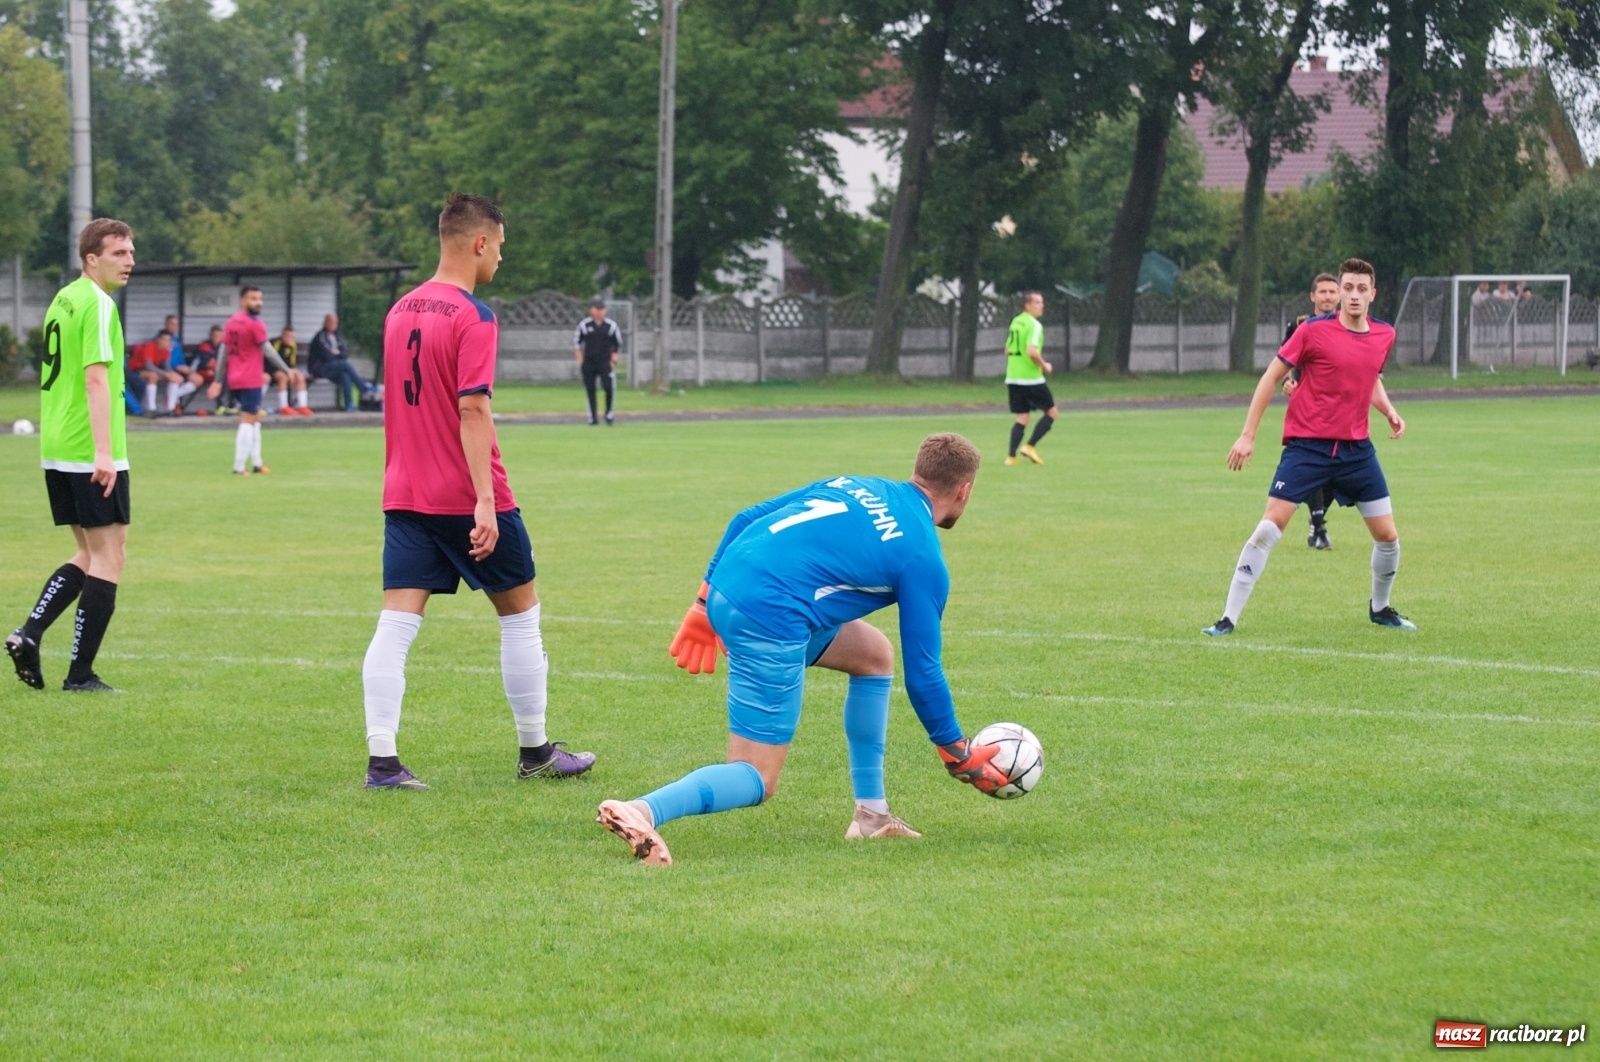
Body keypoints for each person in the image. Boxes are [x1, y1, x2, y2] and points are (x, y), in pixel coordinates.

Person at [596, 433, 1010, 866]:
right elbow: (924, 671)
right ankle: (641, 810)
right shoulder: (923, 556)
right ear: (964, 490)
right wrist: (955, 749)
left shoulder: (855, 483)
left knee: (873, 655)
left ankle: (872, 816)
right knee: (757, 776)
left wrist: (702, 604)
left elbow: (746, 517)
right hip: (770, 614)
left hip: (729, 588)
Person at [360, 192, 595, 790]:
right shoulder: (474, 315)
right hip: (464, 495)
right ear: (480, 242)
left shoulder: (398, 310)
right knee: (520, 617)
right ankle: (535, 751)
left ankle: (382, 762)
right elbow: (471, 408)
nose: (500, 262)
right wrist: (484, 499)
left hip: (404, 493)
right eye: (501, 249)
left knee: (396, 624)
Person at [1203, 258, 1414, 638]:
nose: (1352, 295)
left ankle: (1380, 609)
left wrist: (1388, 410)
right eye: (1346, 287)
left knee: (1387, 537)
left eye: (1360, 289)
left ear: (1372, 294)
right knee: (1270, 527)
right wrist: (1248, 434)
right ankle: (1227, 618)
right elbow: (1271, 377)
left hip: (1357, 452)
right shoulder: (1312, 331)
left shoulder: (1384, 334)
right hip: (1308, 448)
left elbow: (1370, 378)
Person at [5, 218, 137, 693]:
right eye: (119, 253)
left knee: (88, 552)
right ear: (91, 259)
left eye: (130, 252)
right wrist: (103, 452)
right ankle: (80, 675)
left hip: (57, 446)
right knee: (110, 556)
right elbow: (95, 378)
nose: (129, 261)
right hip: (89, 449)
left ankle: (29, 634)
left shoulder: (64, 299)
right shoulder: (98, 305)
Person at [1281, 273, 1342, 550]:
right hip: (1307, 408)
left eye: (1333, 291)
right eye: (1323, 292)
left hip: (1340, 408)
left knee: (1338, 471)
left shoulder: (1348, 324)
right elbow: (1283, 358)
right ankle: (1318, 528)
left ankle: (1317, 522)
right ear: (1312, 296)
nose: (1328, 297)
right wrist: (1287, 381)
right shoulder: (1299, 324)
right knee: (1313, 464)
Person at [206, 287, 293, 474]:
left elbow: (224, 351)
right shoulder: (255, 324)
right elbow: (268, 350)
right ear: (243, 301)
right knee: (247, 419)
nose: (258, 302)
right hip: (251, 377)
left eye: (260, 298)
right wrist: (287, 370)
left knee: (254, 417)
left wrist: (218, 380)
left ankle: (257, 462)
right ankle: (238, 466)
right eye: (253, 299)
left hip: (235, 377)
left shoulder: (231, 322)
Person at [1003, 291, 1056, 465]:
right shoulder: (1034, 325)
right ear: (1027, 305)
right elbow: (1031, 351)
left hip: (1013, 377)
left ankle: (1011, 457)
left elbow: (1007, 350)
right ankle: (1030, 446)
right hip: (1031, 378)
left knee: (1022, 417)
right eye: (1037, 302)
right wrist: (1044, 365)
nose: (1042, 306)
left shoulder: (1016, 322)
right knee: (1052, 412)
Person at [308, 313, 379, 411]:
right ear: (325, 323)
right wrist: (337, 354)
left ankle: (349, 405)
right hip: (319, 368)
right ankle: (363, 387)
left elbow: (345, 353)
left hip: (334, 368)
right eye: (331, 322)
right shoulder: (320, 337)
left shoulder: (337, 336)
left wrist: (335, 353)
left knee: (345, 375)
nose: (334, 324)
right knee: (344, 365)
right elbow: (326, 356)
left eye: (335, 322)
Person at [573, 298, 620, 426]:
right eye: (597, 309)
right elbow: (577, 343)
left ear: (605, 310)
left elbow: (616, 345)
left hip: (605, 362)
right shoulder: (585, 325)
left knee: (608, 388)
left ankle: (609, 414)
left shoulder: (611, 326)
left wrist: (613, 360)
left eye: (601, 309)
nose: (599, 312)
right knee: (590, 389)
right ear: (592, 310)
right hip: (589, 362)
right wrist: (580, 360)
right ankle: (593, 417)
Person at [127, 331, 195, 416]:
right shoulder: (150, 346)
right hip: (135, 370)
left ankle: (170, 409)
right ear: (159, 340)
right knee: (153, 376)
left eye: (169, 340)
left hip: (151, 371)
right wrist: (165, 374)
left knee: (173, 378)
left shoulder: (166, 350)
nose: (167, 342)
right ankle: (151, 409)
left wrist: (172, 374)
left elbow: (167, 366)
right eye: (165, 340)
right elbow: (149, 366)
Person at [270, 325, 312, 416]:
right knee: (283, 377)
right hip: (272, 369)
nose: (289, 339)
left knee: (299, 375)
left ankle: (302, 406)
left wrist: (293, 372)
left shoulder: (293, 346)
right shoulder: (276, 344)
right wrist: (287, 372)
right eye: (287, 336)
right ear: (282, 335)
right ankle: (283, 407)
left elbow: (292, 364)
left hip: (286, 370)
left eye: (291, 337)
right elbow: (272, 361)